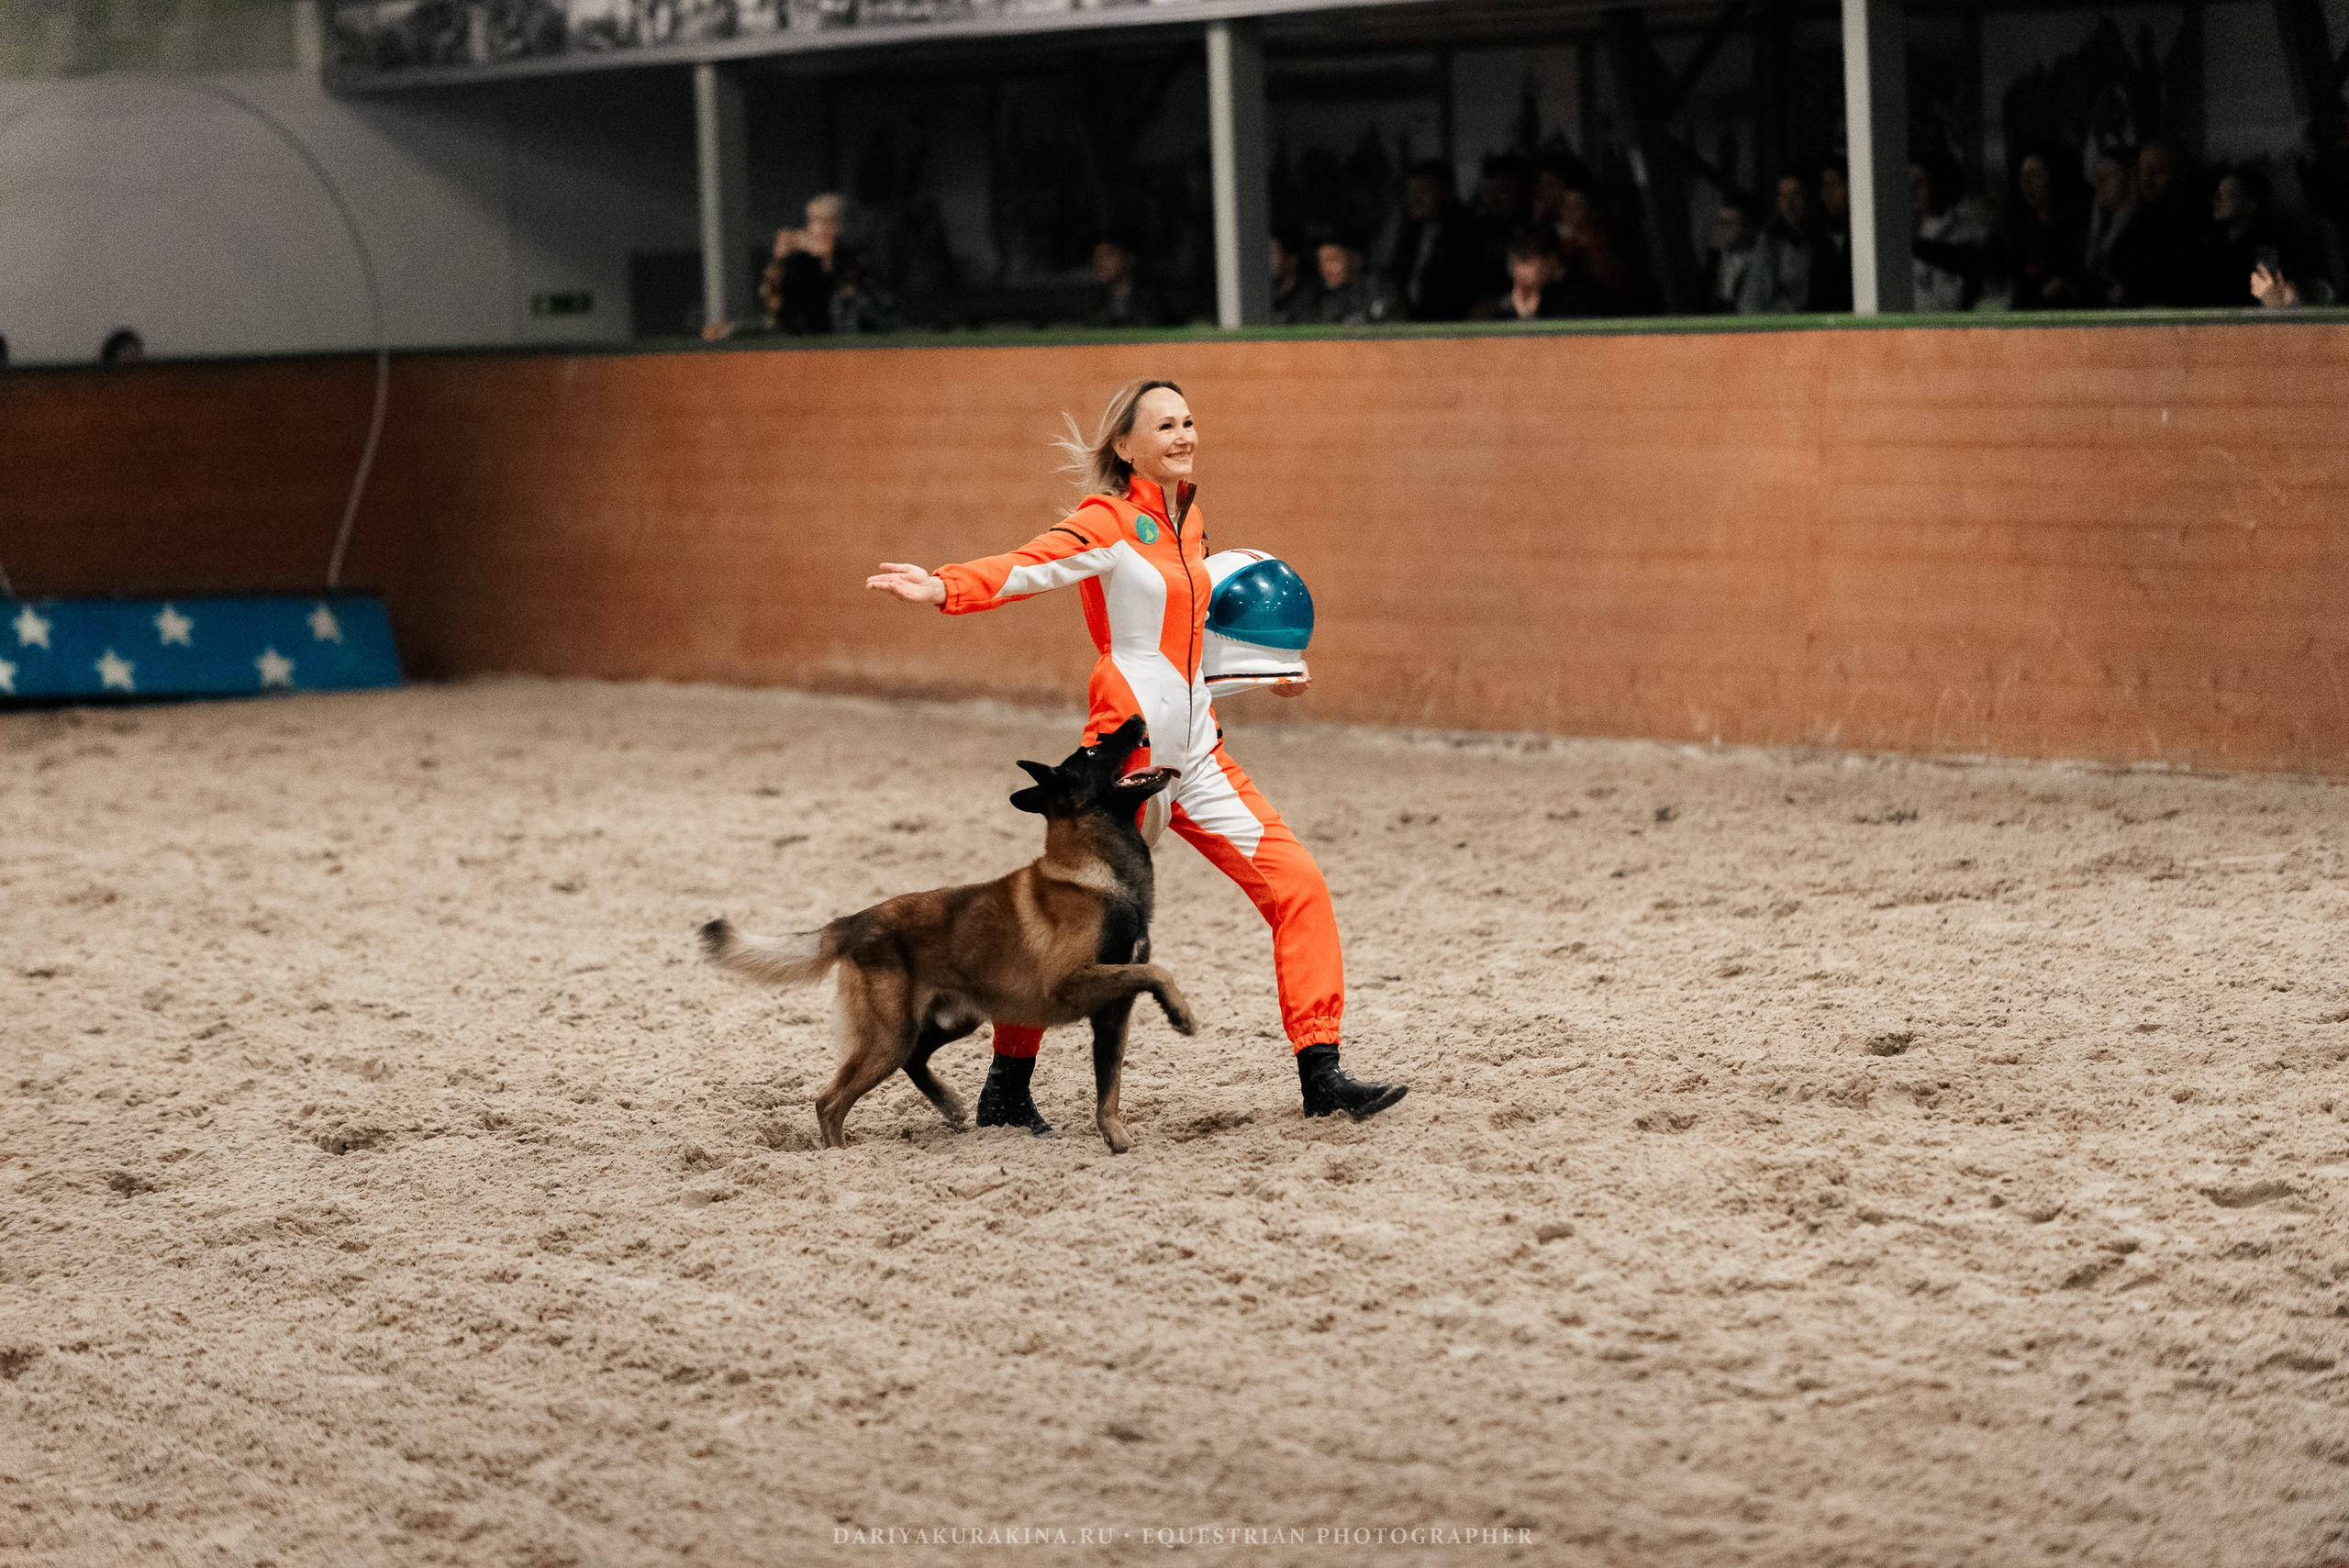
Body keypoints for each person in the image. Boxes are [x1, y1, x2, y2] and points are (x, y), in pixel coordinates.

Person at [863, 379, 1408, 1131]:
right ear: (1125, 446)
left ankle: (1323, 1071)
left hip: (1200, 754)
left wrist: (1266, 672)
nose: (1184, 435)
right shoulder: (1106, 521)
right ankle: (1007, 1088)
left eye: (1189, 421)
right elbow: (1030, 565)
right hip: (1124, 767)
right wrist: (944, 585)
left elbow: (1192, 641)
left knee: (1300, 885)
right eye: (1165, 425)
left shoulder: (1192, 522)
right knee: (1070, 925)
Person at [1386, 161, 1486, 322]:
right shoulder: (1410, 232)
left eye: (1423, 190)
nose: (1415, 198)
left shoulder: (1468, 231)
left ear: (1446, 192)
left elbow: (1471, 290)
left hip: (1454, 330)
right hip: (1411, 328)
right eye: (1411, 191)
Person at [2109, 139, 2195, 307]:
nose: (2146, 179)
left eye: (2157, 171)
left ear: (2179, 173)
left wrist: (2130, 288)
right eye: (2142, 171)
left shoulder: (2187, 222)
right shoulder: (2139, 214)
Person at [2007, 148, 2085, 309]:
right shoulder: (2021, 227)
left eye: (2035, 175)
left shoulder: (2077, 226)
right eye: (2023, 176)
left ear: (2054, 179)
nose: (2026, 183)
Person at [2194, 167, 2282, 307]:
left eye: (2229, 195)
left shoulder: (2266, 244)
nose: (2217, 201)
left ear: (2251, 204)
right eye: (2218, 194)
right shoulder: (2211, 240)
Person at [1909, 154, 1987, 311]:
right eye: (1908, 183)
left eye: (1920, 183)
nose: (1912, 191)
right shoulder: (1907, 230)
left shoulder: (1965, 230)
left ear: (1938, 183)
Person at [762, 193, 846, 335]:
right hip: (798, 322)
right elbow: (773, 287)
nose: (815, 227)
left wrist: (804, 243)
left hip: (835, 321)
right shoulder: (799, 260)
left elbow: (830, 265)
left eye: (822, 221)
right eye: (812, 220)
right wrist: (780, 259)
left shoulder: (845, 251)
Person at [1739, 170, 1820, 314]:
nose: (1789, 204)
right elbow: (1751, 302)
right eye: (1783, 196)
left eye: (1796, 195)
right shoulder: (1768, 243)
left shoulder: (1822, 243)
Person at [2083, 147, 2137, 306]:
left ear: (2130, 179)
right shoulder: (2094, 223)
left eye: (2109, 176)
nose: (2099, 183)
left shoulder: (2140, 228)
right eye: (2097, 176)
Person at [1088, 238, 1176, 328]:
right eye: (1097, 256)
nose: (1100, 262)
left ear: (1129, 258)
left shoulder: (1150, 298)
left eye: (1109, 254)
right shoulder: (1092, 299)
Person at [1314, 237, 1396, 325]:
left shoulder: (1381, 288)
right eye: (1321, 262)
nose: (1324, 269)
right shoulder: (1320, 295)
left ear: (1356, 259)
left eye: (1332, 260)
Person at [1810, 159, 1854, 311]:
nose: (1827, 193)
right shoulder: (1814, 234)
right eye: (1824, 185)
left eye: (1835, 184)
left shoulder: (1863, 234)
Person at [1700, 201, 1756, 314]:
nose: (1722, 229)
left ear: (1744, 227)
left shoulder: (1756, 261)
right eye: (1720, 223)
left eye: (1729, 224)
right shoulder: (1712, 262)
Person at [1270, 233, 1321, 325]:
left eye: (1273, 254)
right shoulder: (1268, 294)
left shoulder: (1309, 296)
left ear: (1292, 260)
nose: (1267, 261)